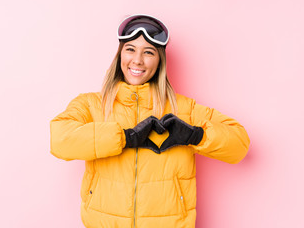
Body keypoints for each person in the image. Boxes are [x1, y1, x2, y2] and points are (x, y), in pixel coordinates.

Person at [50, 14, 250, 228]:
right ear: (120, 55)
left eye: (148, 52)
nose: (137, 60)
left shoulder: (182, 109)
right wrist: (126, 138)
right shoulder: (91, 105)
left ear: (159, 60)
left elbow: (239, 145)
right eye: (130, 49)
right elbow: (59, 139)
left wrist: (195, 135)